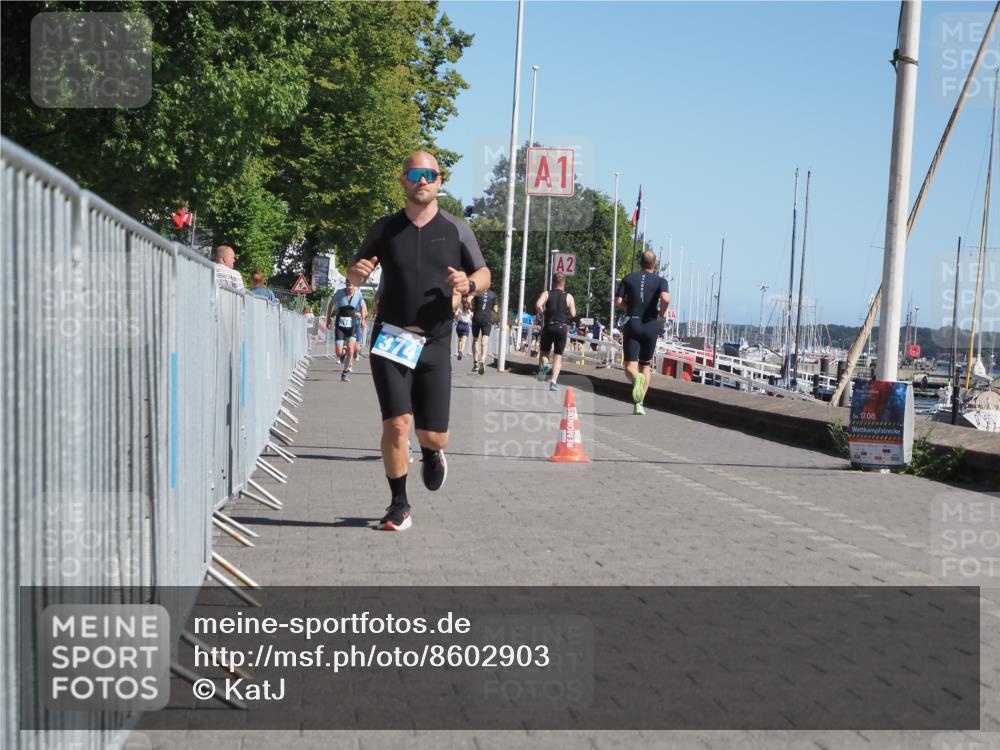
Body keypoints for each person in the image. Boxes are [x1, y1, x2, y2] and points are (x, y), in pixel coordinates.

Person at [348, 151, 490, 531]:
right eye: (414, 174)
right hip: (391, 338)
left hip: (436, 341)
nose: (422, 180)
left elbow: (483, 271)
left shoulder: (456, 228)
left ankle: (432, 453)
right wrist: (356, 274)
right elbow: (357, 268)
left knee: (433, 433)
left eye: (429, 174)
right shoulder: (384, 229)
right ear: (403, 181)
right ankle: (399, 505)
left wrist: (469, 283)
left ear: (439, 181)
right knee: (397, 424)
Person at [615, 250, 670, 415]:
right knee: (645, 365)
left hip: (633, 322)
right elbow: (666, 299)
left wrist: (627, 306)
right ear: (656, 264)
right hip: (650, 324)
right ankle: (640, 404)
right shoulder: (661, 281)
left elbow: (617, 301)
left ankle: (635, 378)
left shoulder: (629, 278)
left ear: (640, 262)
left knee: (629, 366)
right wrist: (661, 312)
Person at [534, 272, 576, 392]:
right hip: (562, 327)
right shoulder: (568, 296)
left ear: (553, 282)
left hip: (549, 326)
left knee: (543, 353)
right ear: (564, 283)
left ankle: (546, 364)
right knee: (558, 357)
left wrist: (542, 312)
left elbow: (538, 304)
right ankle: (553, 382)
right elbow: (573, 314)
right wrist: (566, 312)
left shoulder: (547, 293)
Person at [326, 281, 367, 382]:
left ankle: (344, 373)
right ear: (345, 283)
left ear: (355, 285)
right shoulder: (339, 293)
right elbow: (331, 305)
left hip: (352, 326)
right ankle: (342, 355)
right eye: (347, 282)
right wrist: (328, 319)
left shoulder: (358, 294)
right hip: (340, 326)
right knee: (339, 353)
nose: (349, 283)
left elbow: (363, 307)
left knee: (351, 349)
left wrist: (363, 320)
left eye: (351, 282)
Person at [471, 287, 498, 374]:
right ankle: (482, 360)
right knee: (484, 341)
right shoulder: (493, 294)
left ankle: (475, 363)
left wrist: (473, 308)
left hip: (476, 317)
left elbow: (469, 302)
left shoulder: (477, 292)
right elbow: (495, 309)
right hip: (487, 319)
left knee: (475, 340)